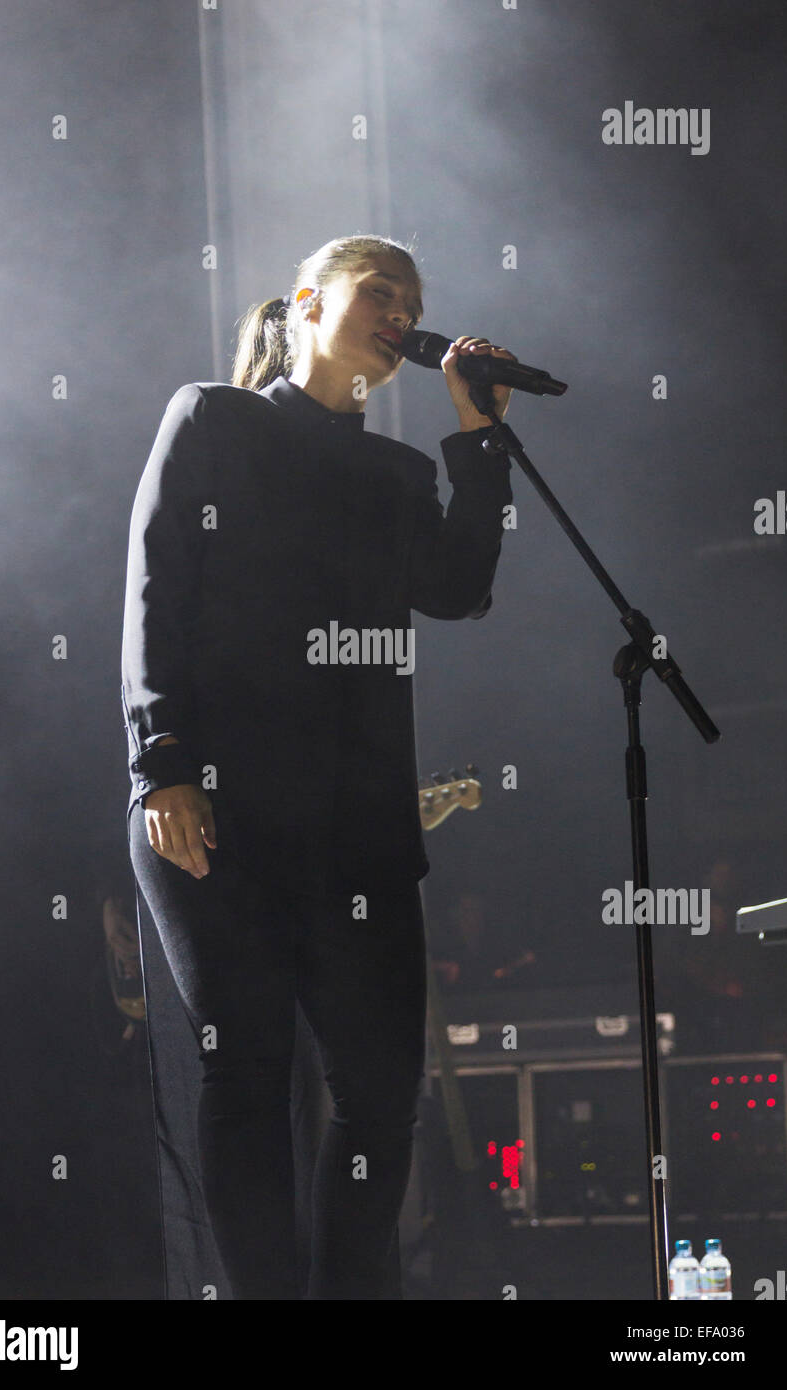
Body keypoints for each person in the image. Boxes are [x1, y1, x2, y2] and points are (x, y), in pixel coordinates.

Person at [122, 233, 516, 1299]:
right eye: (378, 291)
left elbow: (459, 587)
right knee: (244, 1072)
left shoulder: (395, 472)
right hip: (218, 806)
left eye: (412, 301)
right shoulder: (214, 418)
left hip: (358, 828)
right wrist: (160, 760)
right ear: (307, 302)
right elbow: (157, 586)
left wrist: (479, 439)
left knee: (383, 1092)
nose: (399, 312)